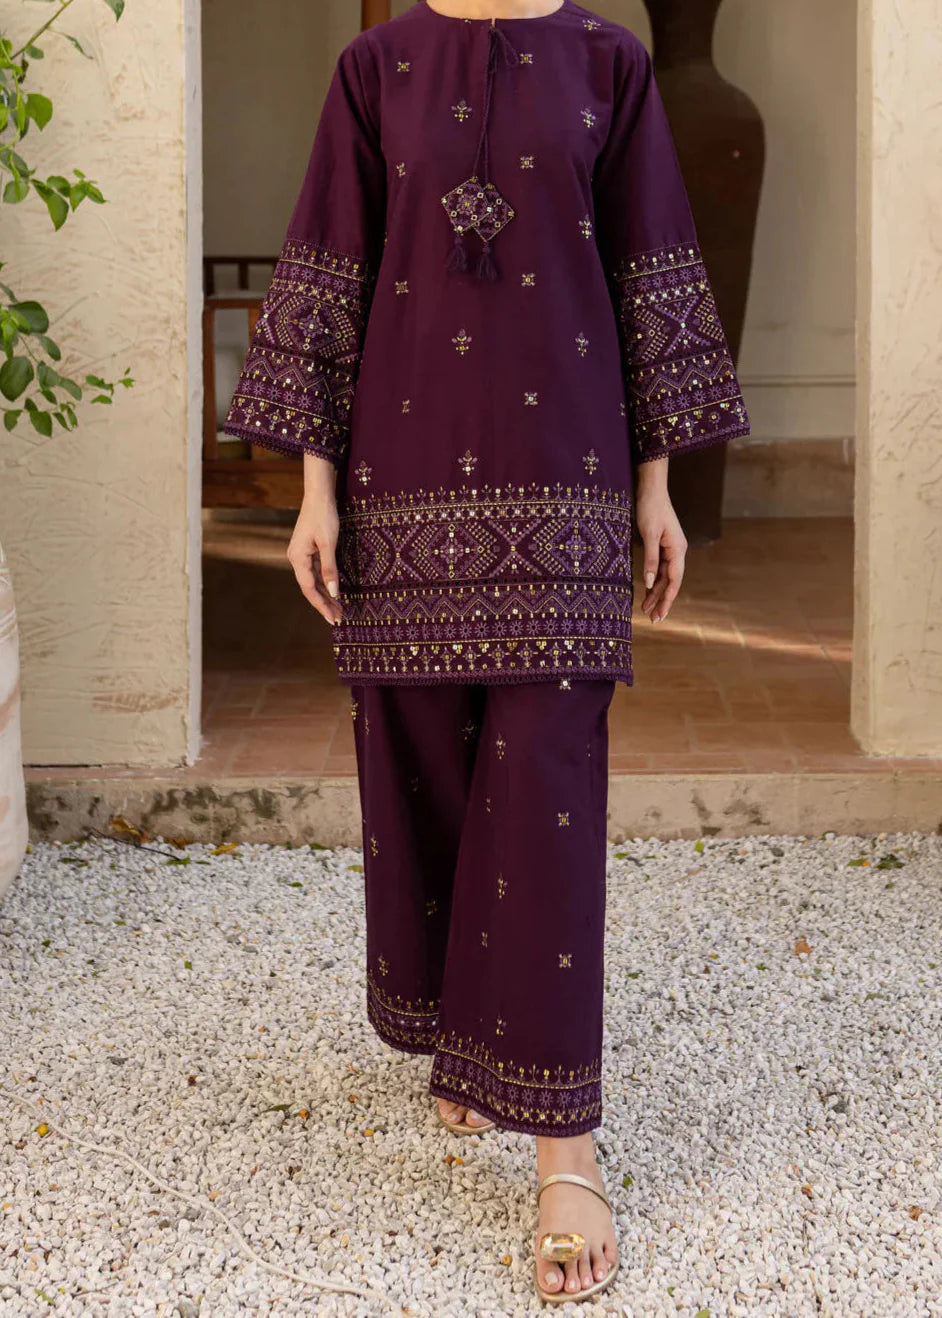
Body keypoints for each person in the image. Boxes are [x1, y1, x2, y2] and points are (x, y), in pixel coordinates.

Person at [224, 0, 749, 1303]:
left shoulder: (610, 62)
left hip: (569, 472)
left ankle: (566, 1150)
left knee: (549, 787)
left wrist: (657, 488)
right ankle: (472, 1041)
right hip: (400, 477)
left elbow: (652, 269)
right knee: (427, 771)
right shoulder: (374, 69)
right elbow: (328, 270)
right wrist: (313, 494)